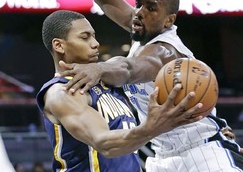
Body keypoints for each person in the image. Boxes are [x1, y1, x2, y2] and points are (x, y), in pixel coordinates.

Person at [57, 0, 243, 171]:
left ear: (168, 20)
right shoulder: (143, 27)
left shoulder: (165, 50)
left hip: (202, 150)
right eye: (138, 4)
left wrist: (99, 68)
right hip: (162, 156)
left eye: (151, 8)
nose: (140, 12)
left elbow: (129, 69)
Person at [37, 10, 203, 171]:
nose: (95, 43)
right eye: (85, 37)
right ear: (59, 45)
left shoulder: (107, 80)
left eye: (94, 36)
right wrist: (153, 127)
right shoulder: (62, 92)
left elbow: (127, 66)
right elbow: (105, 144)